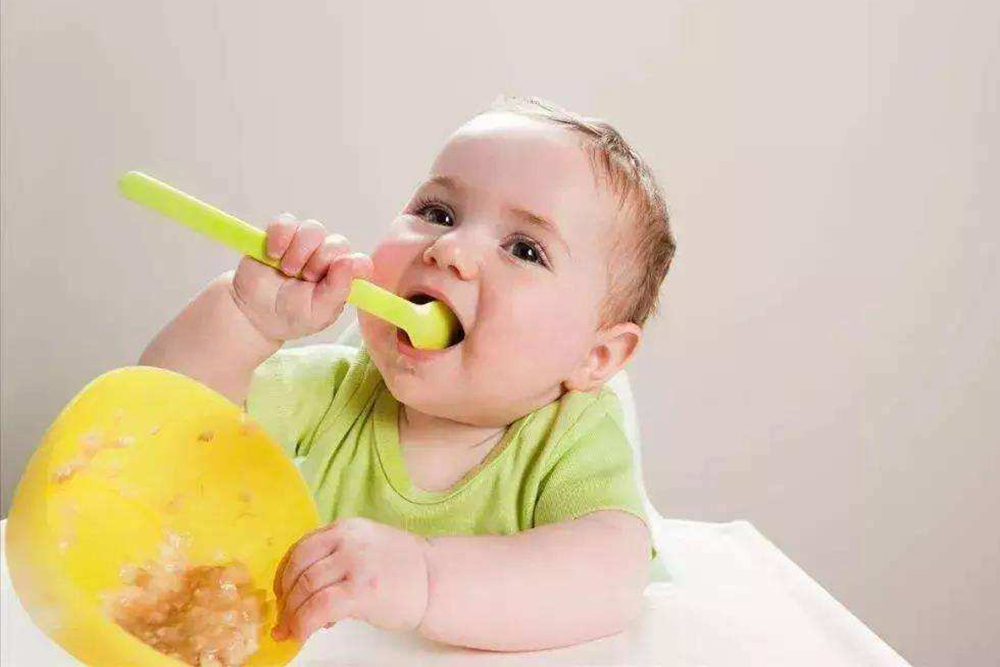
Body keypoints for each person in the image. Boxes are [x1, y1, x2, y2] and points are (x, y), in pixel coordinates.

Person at [139, 95, 676, 652]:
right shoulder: (339, 389)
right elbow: (162, 428)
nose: (450, 248)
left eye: (524, 249)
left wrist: (424, 577)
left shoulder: (571, 437)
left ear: (596, 357)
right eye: (438, 214)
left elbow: (611, 579)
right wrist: (244, 317)